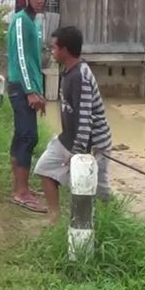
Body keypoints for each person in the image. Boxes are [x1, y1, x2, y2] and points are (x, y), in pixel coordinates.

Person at [34, 26, 112, 223]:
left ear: (65, 50)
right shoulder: (68, 72)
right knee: (44, 168)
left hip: (94, 145)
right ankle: (54, 215)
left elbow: (85, 120)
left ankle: (107, 223)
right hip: (68, 139)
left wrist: (77, 154)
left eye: (54, 48)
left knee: (98, 191)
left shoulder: (81, 77)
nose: (51, 52)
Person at [7, 0, 52, 213]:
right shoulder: (21, 20)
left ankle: (21, 187)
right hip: (21, 88)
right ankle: (20, 192)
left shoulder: (32, 21)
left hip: (28, 87)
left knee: (23, 136)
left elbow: (34, 62)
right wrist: (31, 91)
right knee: (27, 137)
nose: (41, 0)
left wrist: (39, 90)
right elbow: (22, 59)